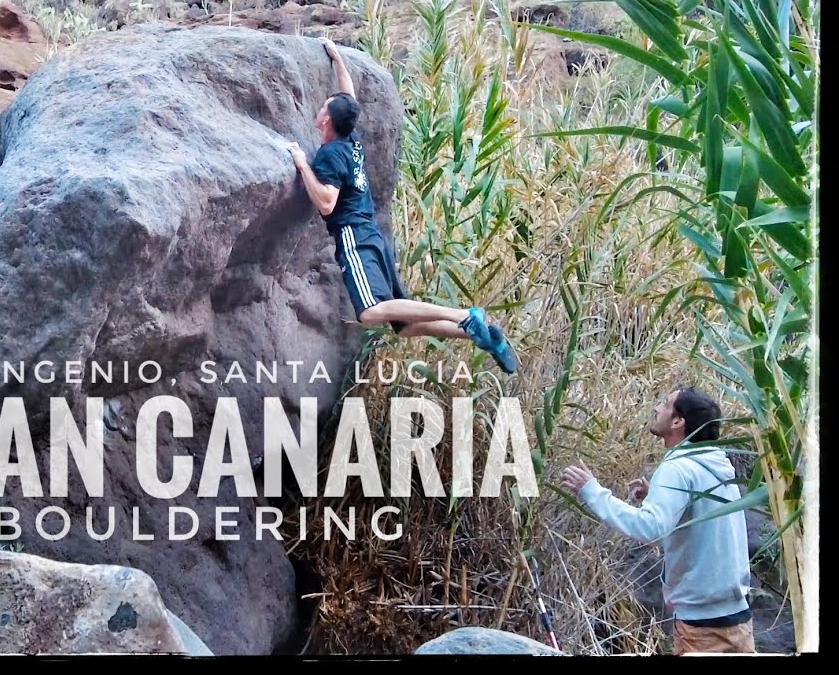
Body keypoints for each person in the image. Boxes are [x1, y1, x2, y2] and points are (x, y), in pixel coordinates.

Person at [285, 37, 517, 374]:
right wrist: (337, 59)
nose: (320, 109)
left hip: (354, 237)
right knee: (404, 326)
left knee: (369, 313)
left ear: (326, 121)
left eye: (324, 107)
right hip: (372, 235)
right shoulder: (350, 139)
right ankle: (482, 336)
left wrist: (301, 164)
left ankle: (464, 316)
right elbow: (348, 96)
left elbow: (326, 203)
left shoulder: (330, 154)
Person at [561, 386, 756, 655]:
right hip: (738, 620)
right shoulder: (716, 464)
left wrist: (592, 491)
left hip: (702, 627)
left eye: (665, 404)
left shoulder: (678, 468)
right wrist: (658, 496)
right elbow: (703, 517)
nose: (656, 408)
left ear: (678, 422)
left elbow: (650, 528)